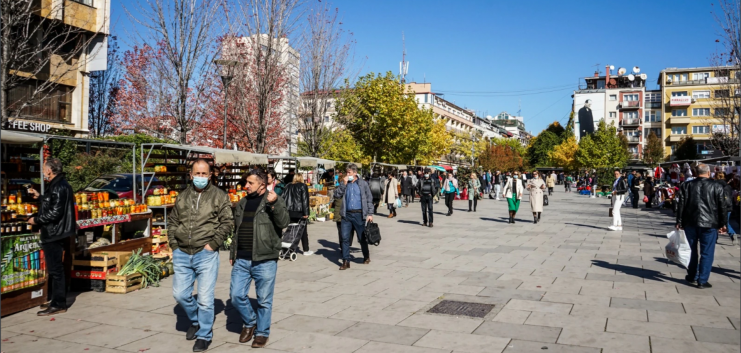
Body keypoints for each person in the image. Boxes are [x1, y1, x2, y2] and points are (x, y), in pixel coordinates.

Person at [168, 159, 234, 352]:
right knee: (180, 294)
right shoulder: (182, 196)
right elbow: (173, 221)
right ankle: (196, 320)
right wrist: (174, 244)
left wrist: (213, 245)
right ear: (190, 175)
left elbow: (227, 222)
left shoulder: (219, 196)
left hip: (205, 253)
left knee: (205, 298)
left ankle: (204, 335)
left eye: (204, 174)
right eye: (197, 173)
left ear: (210, 175)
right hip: (182, 252)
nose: (200, 177)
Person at [230, 168, 289, 348]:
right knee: (236, 295)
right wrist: (233, 253)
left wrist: (276, 203)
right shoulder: (242, 202)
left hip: (265, 258)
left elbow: (284, 222)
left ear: (262, 185)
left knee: (264, 300)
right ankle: (250, 321)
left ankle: (262, 333)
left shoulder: (272, 201)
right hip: (242, 259)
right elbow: (237, 230)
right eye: (246, 182)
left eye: (250, 183)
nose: (246, 186)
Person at [27, 158, 75, 316]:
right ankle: (56, 299)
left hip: (54, 232)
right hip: (55, 231)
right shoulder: (59, 184)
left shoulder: (59, 186)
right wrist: (40, 197)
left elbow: (55, 212)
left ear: (49, 170)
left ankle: (59, 303)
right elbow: (53, 203)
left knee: (55, 269)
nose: (42, 171)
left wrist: (36, 220)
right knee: (55, 269)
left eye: (43, 169)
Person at [676, 164, 728, 288]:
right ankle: (702, 280)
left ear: (695, 172)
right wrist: (723, 223)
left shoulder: (687, 185)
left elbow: (680, 205)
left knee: (692, 251)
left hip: (691, 222)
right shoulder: (717, 186)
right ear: (708, 172)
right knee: (707, 252)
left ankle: (692, 276)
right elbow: (722, 206)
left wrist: (679, 221)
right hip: (710, 223)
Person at [334, 164, 374, 270]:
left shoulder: (363, 184)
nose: (347, 174)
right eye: (347, 172)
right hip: (346, 215)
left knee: (361, 238)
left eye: (349, 173)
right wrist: (343, 184)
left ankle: (366, 256)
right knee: (345, 238)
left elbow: (369, 198)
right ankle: (346, 261)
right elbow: (336, 195)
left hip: (359, 214)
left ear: (355, 173)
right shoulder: (344, 183)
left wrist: (370, 214)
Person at [283, 173, 312, 255]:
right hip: (299, 212)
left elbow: (283, 197)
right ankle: (306, 250)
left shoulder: (288, 186)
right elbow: (305, 200)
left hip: (289, 211)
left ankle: (288, 248)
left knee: (290, 230)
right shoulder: (303, 186)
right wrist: (306, 213)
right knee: (303, 230)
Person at [715, 172, 735, 243]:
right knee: (726, 222)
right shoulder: (728, 186)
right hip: (728, 207)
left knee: (716, 222)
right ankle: (732, 234)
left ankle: (714, 238)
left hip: (717, 207)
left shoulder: (714, 185)